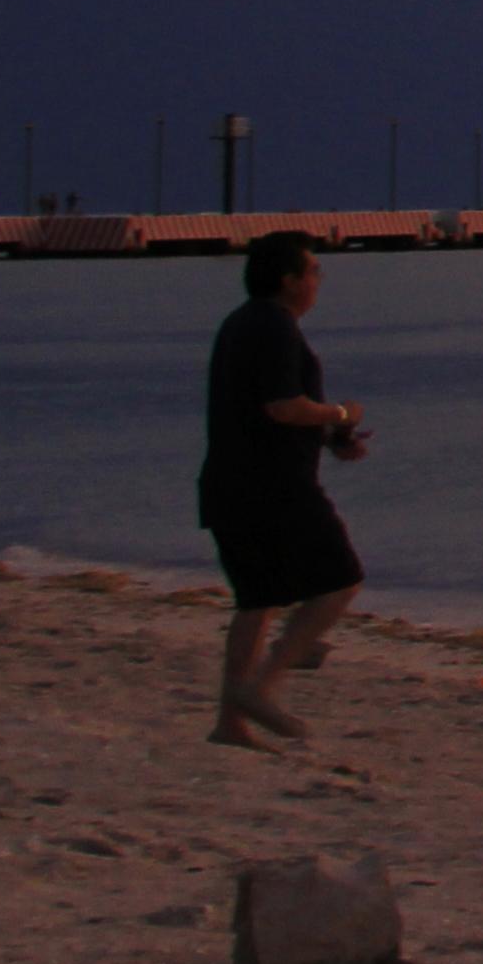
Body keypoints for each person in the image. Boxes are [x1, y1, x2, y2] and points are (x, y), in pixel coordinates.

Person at [201, 232, 367, 750]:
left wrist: (332, 438)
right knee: (340, 582)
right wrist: (339, 413)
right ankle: (262, 687)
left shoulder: (241, 324)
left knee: (257, 601)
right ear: (288, 280)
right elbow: (282, 407)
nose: (318, 282)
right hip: (272, 487)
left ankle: (231, 723)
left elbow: (266, 409)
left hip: (229, 485)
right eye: (313, 272)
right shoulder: (273, 325)